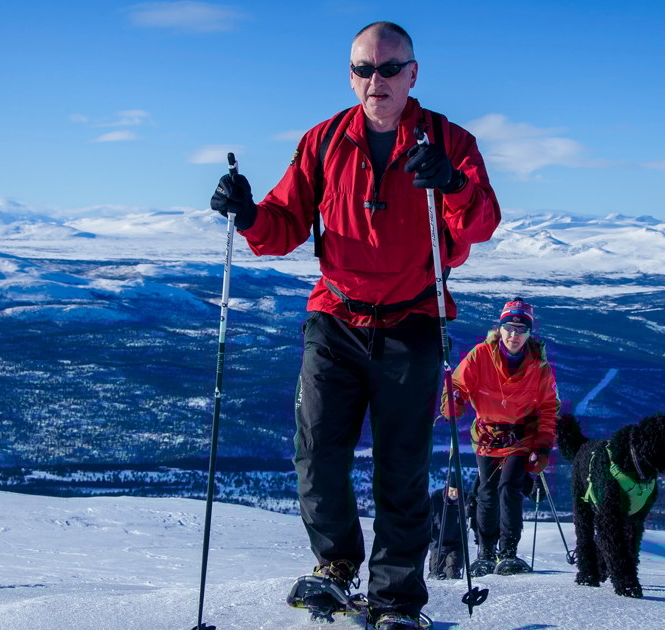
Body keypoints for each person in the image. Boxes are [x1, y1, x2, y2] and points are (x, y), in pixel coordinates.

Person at [210, 20, 500, 630]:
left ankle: (396, 600)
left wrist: (449, 181)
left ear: (413, 74)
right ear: (350, 76)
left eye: (390, 68)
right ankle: (335, 566)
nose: (377, 80)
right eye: (365, 69)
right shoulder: (322, 142)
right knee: (316, 450)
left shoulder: (450, 141)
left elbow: (478, 226)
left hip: (413, 318)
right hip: (335, 315)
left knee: (401, 464)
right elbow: (283, 225)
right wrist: (247, 213)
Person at [444, 298, 560, 577]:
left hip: (521, 437)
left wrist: (543, 445)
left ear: (529, 332)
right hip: (488, 435)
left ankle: (508, 552)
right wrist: (454, 400)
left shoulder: (540, 366)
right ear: (500, 328)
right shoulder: (481, 354)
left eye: (521, 330)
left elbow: (548, 407)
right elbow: (459, 384)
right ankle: (485, 552)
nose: (514, 335)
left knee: (508, 488)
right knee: (486, 492)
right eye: (509, 328)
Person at [427, 474, 466, 581]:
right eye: (451, 490)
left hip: (456, 544)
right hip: (437, 543)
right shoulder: (436, 498)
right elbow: (428, 519)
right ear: (446, 488)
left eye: (457, 491)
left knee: (452, 573)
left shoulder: (465, 499)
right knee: (436, 573)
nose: (454, 494)